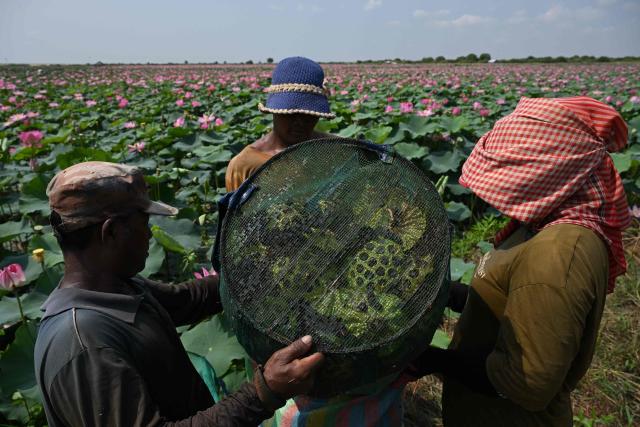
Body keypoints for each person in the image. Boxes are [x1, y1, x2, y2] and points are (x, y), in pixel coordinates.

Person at [34, 161, 325, 426]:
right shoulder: (85, 343)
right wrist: (263, 392)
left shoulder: (118, 287)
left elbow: (187, 300)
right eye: (144, 224)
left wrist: (258, 269)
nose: (149, 235)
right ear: (111, 232)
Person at [408, 96, 631, 426]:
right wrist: (450, 293)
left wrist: (439, 361)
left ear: (554, 169)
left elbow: (527, 383)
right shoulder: (541, 224)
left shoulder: (560, 253)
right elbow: (516, 304)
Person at [225, 56, 335, 192]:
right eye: (291, 114)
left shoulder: (334, 149)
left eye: (309, 114)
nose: (300, 122)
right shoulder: (245, 164)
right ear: (274, 112)